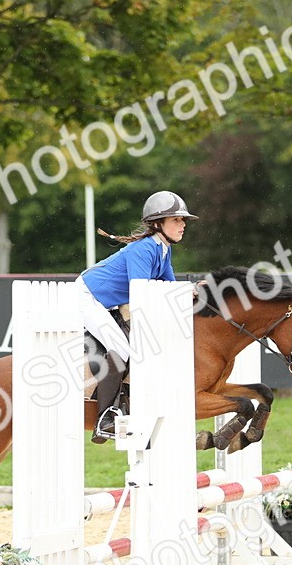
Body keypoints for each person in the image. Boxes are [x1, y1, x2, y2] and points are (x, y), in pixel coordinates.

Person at [76, 190, 199, 443]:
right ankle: (105, 419)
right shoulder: (144, 249)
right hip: (86, 298)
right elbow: (141, 293)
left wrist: (196, 291)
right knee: (121, 349)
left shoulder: (163, 251)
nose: (183, 224)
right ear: (157, 224)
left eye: (182, 220)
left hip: (105, 302)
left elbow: (170, 289)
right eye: (176, 219)